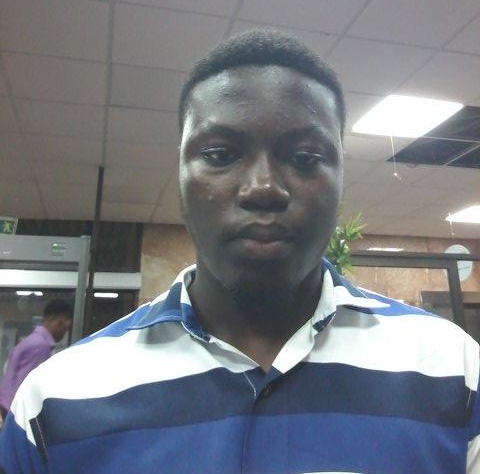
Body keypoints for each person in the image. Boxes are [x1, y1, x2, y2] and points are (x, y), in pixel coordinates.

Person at [0, 29, 479, 473]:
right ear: (180, 178)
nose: (263, 187)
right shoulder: (54, 404)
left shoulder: (454, 371)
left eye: (305, 157)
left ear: (339, 180)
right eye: (220, 154)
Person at [0, 299, 72, 424]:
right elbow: (26, 387)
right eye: (65, 328)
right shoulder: (41, 346)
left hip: (7, 407)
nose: (64, 332)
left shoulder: (32, 340)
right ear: (59, 321)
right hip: (16, 414)